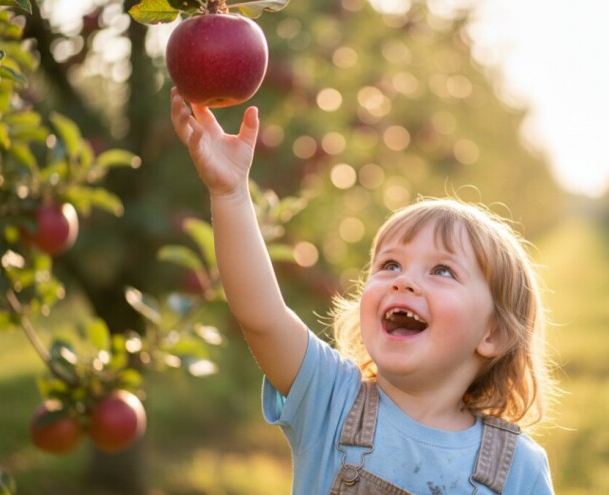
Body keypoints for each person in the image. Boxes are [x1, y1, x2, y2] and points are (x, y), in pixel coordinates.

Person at [170, 87, 556, 494]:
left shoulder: (516, 469)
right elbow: (262, 316)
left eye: (442, 270)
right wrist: (230, 192)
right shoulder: (332, 398)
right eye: (390, 265)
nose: (403, 280)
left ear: (492, 333)